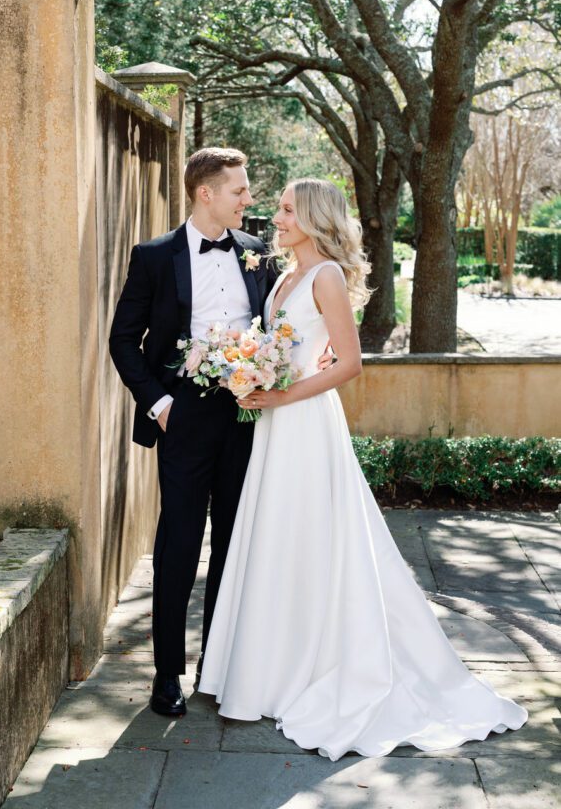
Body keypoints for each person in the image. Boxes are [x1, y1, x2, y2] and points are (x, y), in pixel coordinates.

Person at [199, 177, 527, 760]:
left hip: (304, 424)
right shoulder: (283, 276)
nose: (275, 217)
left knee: (316, 537)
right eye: (277, 208)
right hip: (275, 423)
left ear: (316, 217)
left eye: (286, 210)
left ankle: (323, 666)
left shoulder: (324, 275)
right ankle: (274, 670)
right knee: (279, 540)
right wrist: (248, 371)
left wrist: (280, 392)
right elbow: (288, 348)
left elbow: (349, 364)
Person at [108, 148, 276, 717]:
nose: (248, 199)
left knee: (235, 539)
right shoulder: (154, 256)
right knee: (179, 542)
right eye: (239, 191)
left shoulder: (256, 254)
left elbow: (274, 330)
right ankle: (167, 675)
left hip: (246, 415)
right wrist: (158, 403)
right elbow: (123, 339)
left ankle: (222, 665)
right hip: (182, 416)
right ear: (206, 193)